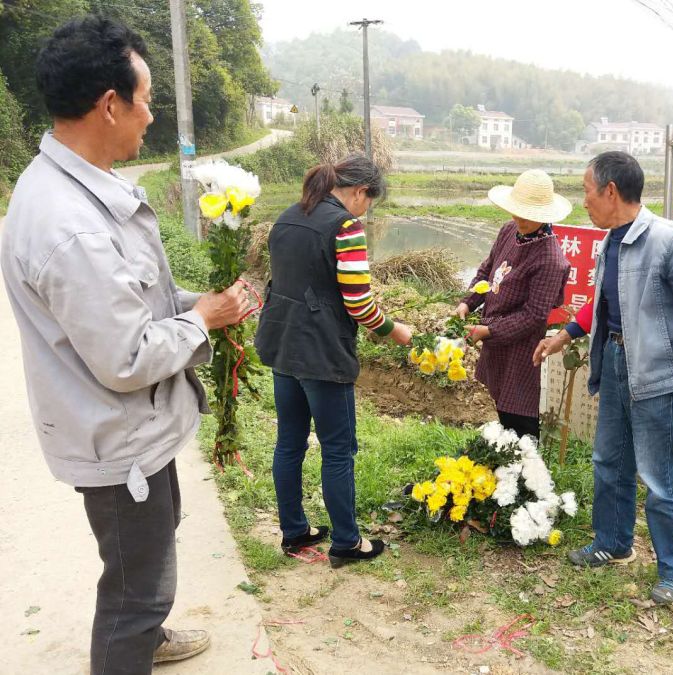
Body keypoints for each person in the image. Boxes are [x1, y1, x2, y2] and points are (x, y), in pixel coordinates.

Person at [0, 16, 251, 673]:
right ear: (108, 104)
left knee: (151, 548)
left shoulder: (76, 189)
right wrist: (202, 321)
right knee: (134, 592)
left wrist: (197, 304)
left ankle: (147, 632)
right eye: (144, 100)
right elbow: (126, 356)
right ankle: (134, 638)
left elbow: (129, 307)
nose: (149, 116)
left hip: (128, 430)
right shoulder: (70, 225)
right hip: (116, 436)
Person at [533, 151, 673, 604]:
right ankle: (612, 542)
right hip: (616, 364)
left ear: (611, 191)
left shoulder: (672, 242)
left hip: (659, 375)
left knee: (659, 475)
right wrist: (565, 335)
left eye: (585, 190)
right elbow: (603, 301)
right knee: (609, 461)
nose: (583, 201)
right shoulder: (613, 241)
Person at [255, 154, 413, 568]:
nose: (366, 210)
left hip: (283, 346)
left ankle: (295, 531)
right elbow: (359, 302)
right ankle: (346, 542)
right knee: (338, 449)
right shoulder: (345, 227)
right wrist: (394, 330)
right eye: (368, 201)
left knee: (289, 441)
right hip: (322, 353)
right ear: (360, 191)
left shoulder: (288, 217)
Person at [455, 169, 571, 440]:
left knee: (518, 417)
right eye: (517, 210)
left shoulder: (550, 260)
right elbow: (486, 272)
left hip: (520, 349)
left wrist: (489, 332)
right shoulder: (509, 231)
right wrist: (467, 303)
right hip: (494, 339)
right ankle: (494, 474)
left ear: (544, 216)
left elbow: (533, 315)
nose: (519, 218)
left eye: (528, 214)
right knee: (493, 410)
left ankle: (528, 477)